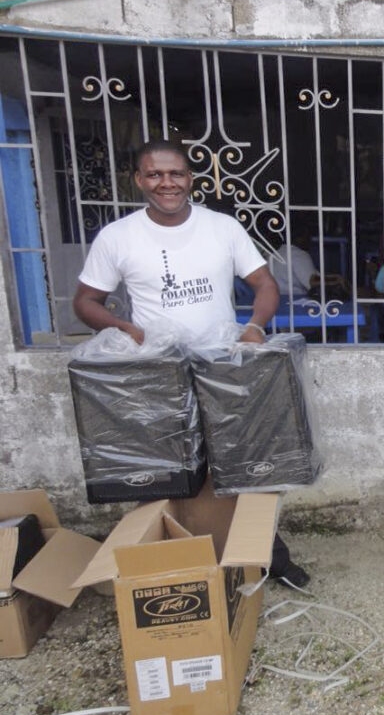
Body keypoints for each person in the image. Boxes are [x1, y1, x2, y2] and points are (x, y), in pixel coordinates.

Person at [72, 139, 310, 587]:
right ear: (139, 180)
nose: (167, 183)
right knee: (165, 473)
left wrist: (256, 325)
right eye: (155, 174)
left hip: (222, 370)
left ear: (190, 178)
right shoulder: (118, 237)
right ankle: (171, 565)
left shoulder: (222, 228)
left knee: (244, 464)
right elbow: (85, 301)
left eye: (176, 174)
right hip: (155, 375)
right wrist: (126, 329)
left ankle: (268, 555)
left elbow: (265, 285)